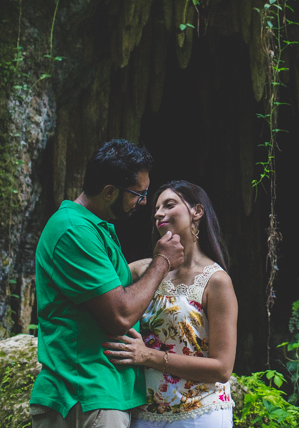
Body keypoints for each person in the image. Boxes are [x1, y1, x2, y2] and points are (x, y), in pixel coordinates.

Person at [30, 139, 186, 428]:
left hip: (99, 393)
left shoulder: (94, 228)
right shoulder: (75, 230)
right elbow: (120, 315)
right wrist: (162, 261)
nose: (143, 202)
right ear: (109, 191)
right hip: (85, 394)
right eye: (138, 194)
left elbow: (114, 286)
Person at [102, 180, 238, 428]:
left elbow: (222, 368)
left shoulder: (216, 281)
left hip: (200, 413)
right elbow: (103, 298)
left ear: (197, 211)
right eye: (156, 209)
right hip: (144, 414)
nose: (158, 213)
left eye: (169, 204)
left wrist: (148, 355)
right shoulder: (142, 270)